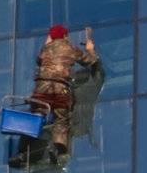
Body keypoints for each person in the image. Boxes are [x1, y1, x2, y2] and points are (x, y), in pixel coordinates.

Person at [23, 23, 99, 161]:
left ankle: (28, 143)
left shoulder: (45, 49)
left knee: (38, 113)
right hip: (60, 88)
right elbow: (90, 61)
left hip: (42, 87)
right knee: (61, 119)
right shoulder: (70, 48)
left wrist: (48, 42)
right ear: (65, 36)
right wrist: (90, 49)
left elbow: (39, 60)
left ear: (51, 37)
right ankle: (59, 148)